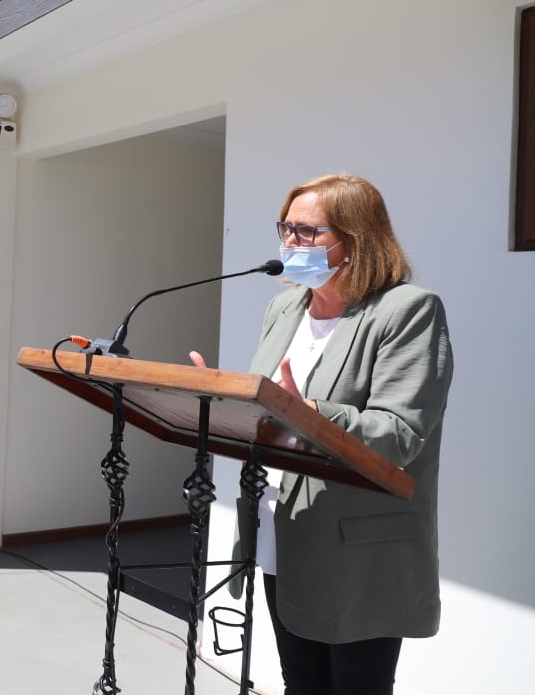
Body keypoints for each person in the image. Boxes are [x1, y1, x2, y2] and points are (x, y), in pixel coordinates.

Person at [191, 173, 453, 695]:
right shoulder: (284, 308)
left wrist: (308, 410)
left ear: (355, 240)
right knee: (302, 685)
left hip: (356, 545)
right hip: (279, 526)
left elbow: (401, 433)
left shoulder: (407, 312)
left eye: (306, 232)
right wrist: (219, 395)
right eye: (285, 228)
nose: (289, 242)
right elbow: (269, 409)